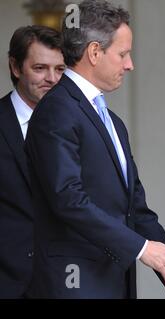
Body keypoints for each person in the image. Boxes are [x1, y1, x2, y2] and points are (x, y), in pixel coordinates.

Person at [24, 0, 165, 299]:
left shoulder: (113, 122)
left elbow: (136, 209)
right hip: (73, 286)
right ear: (94, 52)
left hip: (113, 282)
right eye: (123, 54)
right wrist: (142, 248)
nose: (130, 64)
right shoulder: (56, 110)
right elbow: (68, 200)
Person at [0, 25, 65, 298]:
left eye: (60, 69)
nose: (51, 78)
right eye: (40, 68)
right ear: (15, 67)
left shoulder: (82, 128)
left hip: (66, 284)